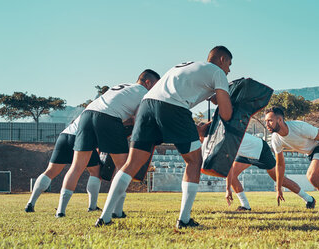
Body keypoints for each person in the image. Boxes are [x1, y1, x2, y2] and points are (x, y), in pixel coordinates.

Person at [96, 46, 233, 228]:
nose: (229, 70)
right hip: (173, 107)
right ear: (222, 59)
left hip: (147, 105)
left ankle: (104, 217)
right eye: (229, 64)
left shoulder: (191, 66)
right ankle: (184, 219)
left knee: (131, 163)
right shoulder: (218, 72)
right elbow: (226, 114)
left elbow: (183, 92)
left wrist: (214, 96)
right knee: (193, 161)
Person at [56, 69, 160, 217]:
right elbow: (138, 120)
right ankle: (117, 210)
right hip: (108, 118)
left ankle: (60, 211)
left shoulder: (123, 86)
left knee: (77, 166)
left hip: (87, 114)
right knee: (123, 167)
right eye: (155, 85)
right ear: (148, 82)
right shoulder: (144, 93)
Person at [24, 113, 102, 213]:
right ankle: (92, 207)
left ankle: (30, 203)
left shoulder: (90, 109)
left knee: (50, 171)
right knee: (95, 171)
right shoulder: (106, 112)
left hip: (64, 136)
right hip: (81, 138)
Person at [222, 131, 316, 210]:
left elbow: (228, 165)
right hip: (245, 154)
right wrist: (227, 189)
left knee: (279, 179)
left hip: (260, 149)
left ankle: (309, 199)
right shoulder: (216, 139)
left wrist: (227, 189)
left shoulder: (225, 138)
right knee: (232, 176)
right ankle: (245, 206)